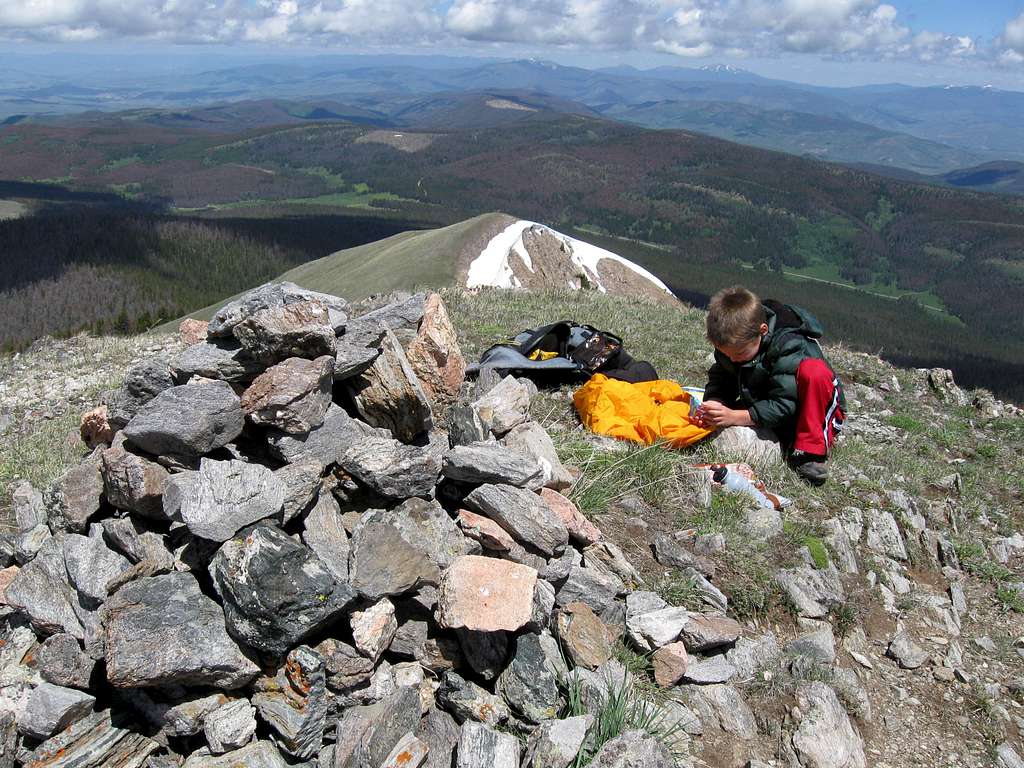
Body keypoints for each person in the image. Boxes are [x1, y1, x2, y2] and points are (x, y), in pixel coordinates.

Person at [695, 286, 845, 485]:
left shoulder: (789, 345)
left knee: (813, 372)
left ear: (762, 331)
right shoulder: (738, 343)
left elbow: (786, 403)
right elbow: (722, 376)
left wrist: (735, 416)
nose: (732, 359)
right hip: (770, 400)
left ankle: (808, 452)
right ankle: (782, 435)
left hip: (815, 411)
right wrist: (715, 402)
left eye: (738, 354)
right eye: (726, 353)